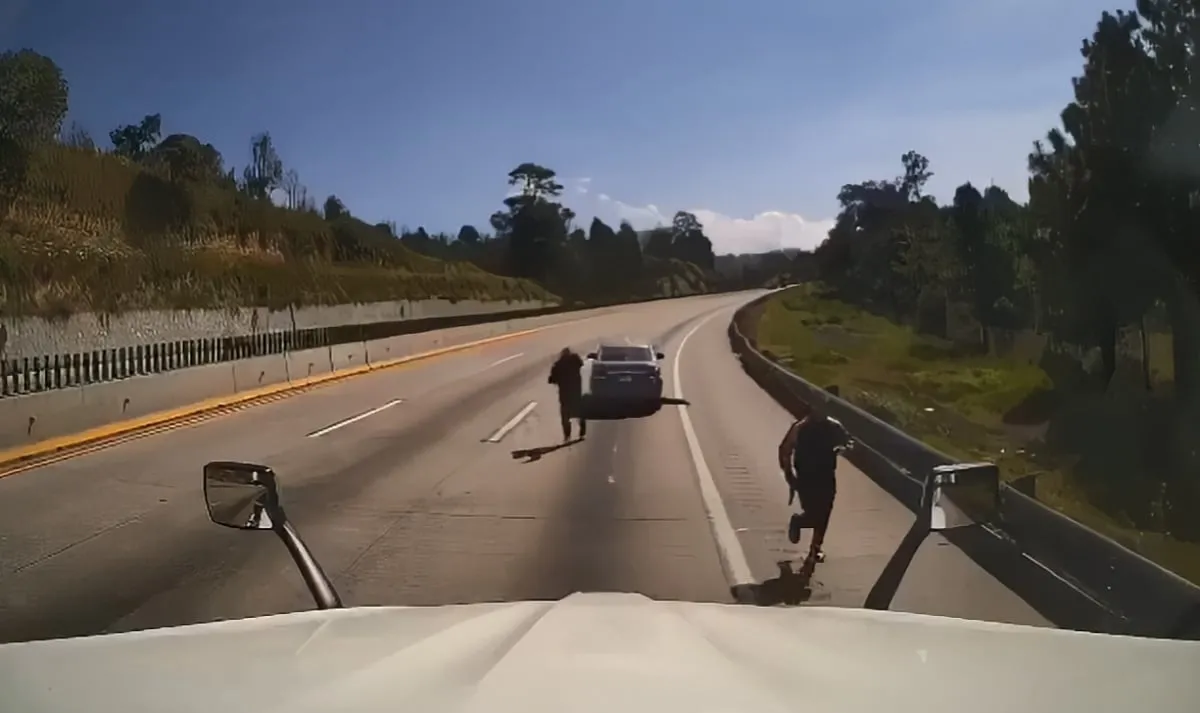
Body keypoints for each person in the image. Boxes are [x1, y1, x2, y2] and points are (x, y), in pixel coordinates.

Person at [778, 403, 851, 564]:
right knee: (813, 511)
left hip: (825, 475)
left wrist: (842, 447)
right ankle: (799, 521)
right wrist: (789, 474)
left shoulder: (834, 426)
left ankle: (815, 548)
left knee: (825, 511)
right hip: (806, 476)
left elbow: (848, 442)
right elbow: (785, 449)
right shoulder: (800, 427)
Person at [548, 347, 587, 441]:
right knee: (581, 412)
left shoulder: (558, 365)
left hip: (565, 394)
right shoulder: (576, 361)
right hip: (577, 392)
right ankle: (582, 433)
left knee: (565, 415)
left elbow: (552, 379)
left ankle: (567, 435)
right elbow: (583, 368)